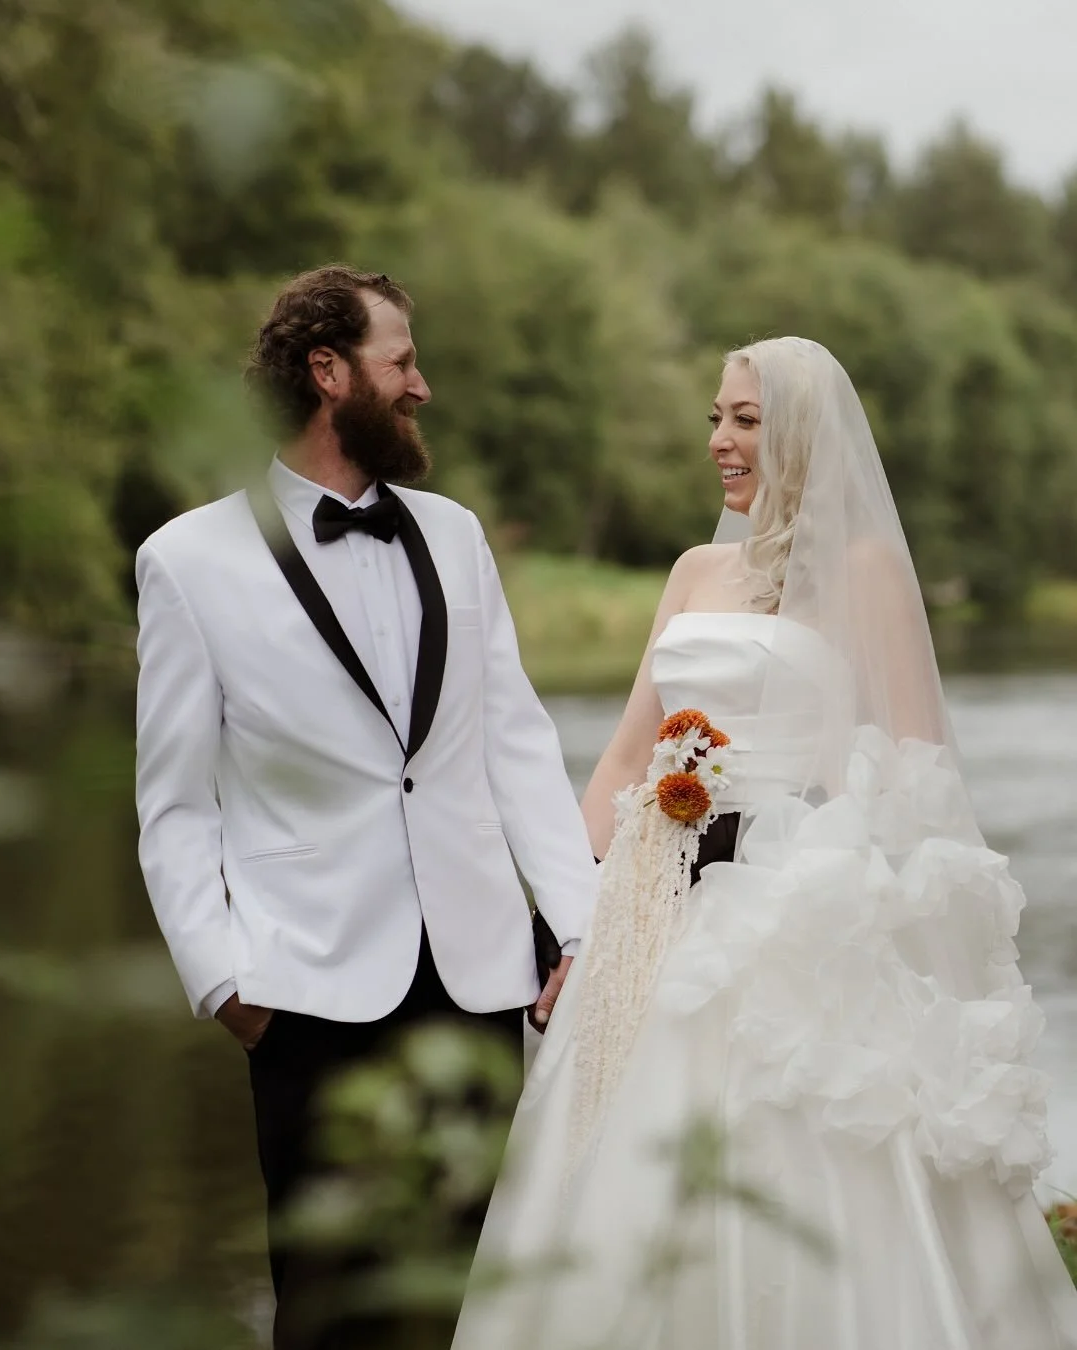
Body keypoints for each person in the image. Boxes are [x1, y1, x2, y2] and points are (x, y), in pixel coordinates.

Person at [451, 337, 1077, 1349]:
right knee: (618, 1170)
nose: (720, 441)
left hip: (790, 909)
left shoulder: (862, 572)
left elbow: (913, 770)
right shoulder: (695, 569)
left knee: (800, 1157)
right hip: (651, 914)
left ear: (800, 438)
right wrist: (570, 924)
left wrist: (862, 910)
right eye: (715, 418)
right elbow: (621, 763)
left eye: (745, 420)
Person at [133, 265, 597, 1349]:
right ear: (327, 371)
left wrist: (579, 929)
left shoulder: (456, 536)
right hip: (306, 993)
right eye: (402, 363)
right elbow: (172, 805)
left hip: (481, 982)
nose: (422, 387)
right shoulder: (188, 561)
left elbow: (516, 748)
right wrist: (228, 985)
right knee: (330, 1311)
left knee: (470, 1298)